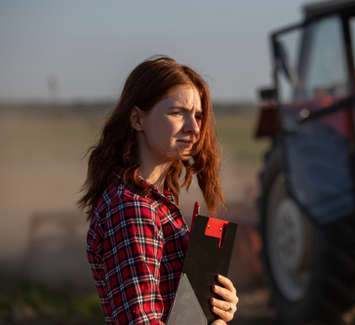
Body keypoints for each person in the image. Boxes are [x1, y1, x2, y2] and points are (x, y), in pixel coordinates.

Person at [78, 56, 239, 324]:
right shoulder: (133, 209)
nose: (194, 128)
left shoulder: (154, 202)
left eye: (197, 116)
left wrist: (216, 307)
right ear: (137, 120)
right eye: (177, 112)